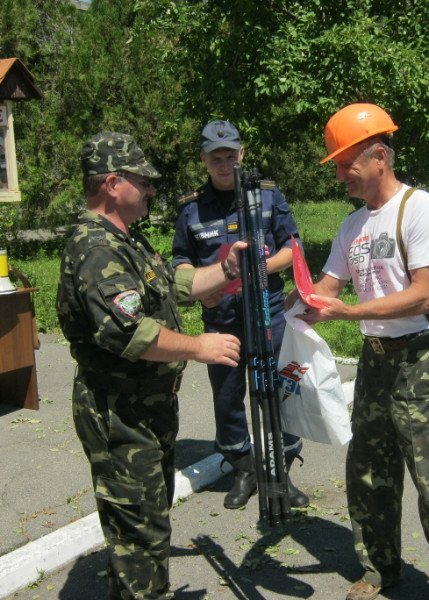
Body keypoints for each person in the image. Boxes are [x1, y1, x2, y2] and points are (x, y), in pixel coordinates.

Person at [288, 103, 429, 600]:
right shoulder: (353, 226)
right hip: (376, 361)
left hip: (422, 358)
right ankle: (378, 572)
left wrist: (348, 314)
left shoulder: (421, 208)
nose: (339, 174)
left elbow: (422, 293)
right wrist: (289, 301)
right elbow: (328, 287)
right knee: (369, 473)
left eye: (345, 163)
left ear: (379, 156)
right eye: (335, 164)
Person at [56, 131, 247, 600]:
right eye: (144, 181)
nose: (152, 190)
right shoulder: (95, 247)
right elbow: (129, 333)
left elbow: (173, 287)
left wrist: (225, 271)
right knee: (139, 529)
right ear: (113, 183)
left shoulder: (126, 240)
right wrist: (199, 346)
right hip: (119, 411)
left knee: (147, 517)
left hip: (144, 409)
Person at [172, 119, 309, 510]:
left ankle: (281, 472)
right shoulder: (192, 208)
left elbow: (292, 247)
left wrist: (260, 271)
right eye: (216, 157)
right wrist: (205, 291)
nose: (224, 163)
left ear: (241, 154)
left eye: (230, 155)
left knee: (279, 392)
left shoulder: (266, 196)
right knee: (229, 397)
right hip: (222, 321)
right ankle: (244, 469)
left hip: (269, 314)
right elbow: (181, 261)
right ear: (204, 159)